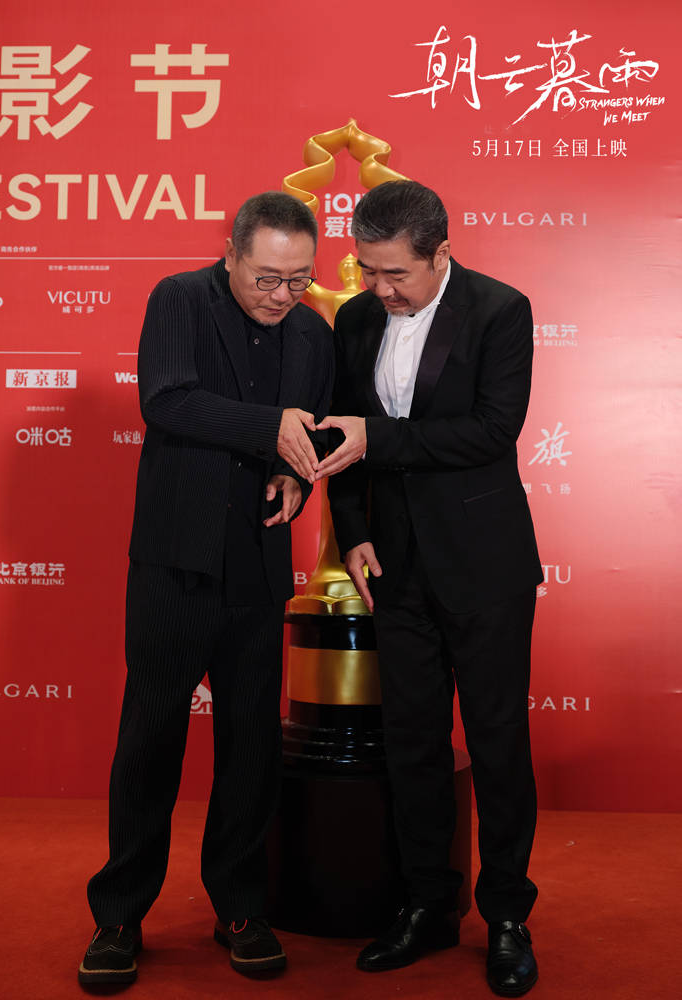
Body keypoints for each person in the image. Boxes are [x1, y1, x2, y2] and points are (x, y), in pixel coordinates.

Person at [79, 192, 334, 986]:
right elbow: (167, 399)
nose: (281, 296)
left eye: (298, 280)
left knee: (251, 746)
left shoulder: (315, 334)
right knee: (150, 739)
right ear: (231, 255)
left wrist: (296, 478)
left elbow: (312, 430)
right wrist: (270, 429)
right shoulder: (181, 300)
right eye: (266, 278)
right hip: (175, 562)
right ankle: (120, 914)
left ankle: (241, 907)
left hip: (257, 563)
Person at [317, 180, 542, 997]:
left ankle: (507, 916)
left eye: (396, 274)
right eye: (367, 270)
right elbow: (340, 437)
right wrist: (354, 531)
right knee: (411, 743)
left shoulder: (500, 310)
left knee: (496, 742)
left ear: (441, 252)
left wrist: (379, 438)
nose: (379, 288)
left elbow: (491, 431)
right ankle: (426, 905)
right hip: (395, 566)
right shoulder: (353, 319)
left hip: (485, 566)